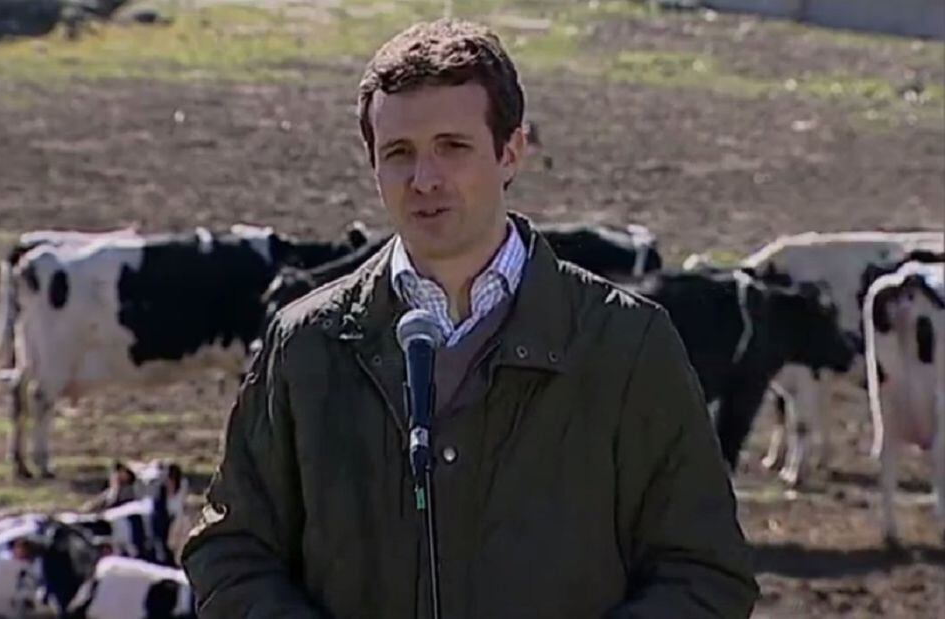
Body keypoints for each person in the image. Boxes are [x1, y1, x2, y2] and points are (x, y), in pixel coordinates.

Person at [181, 18, 759, 619]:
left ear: (511, 151)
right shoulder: (304, 346)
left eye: (452, 147)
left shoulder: (627, 345)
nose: (425, 179)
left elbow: (705, 575)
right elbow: (231, 553)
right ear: (372, 165)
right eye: (398, 154)